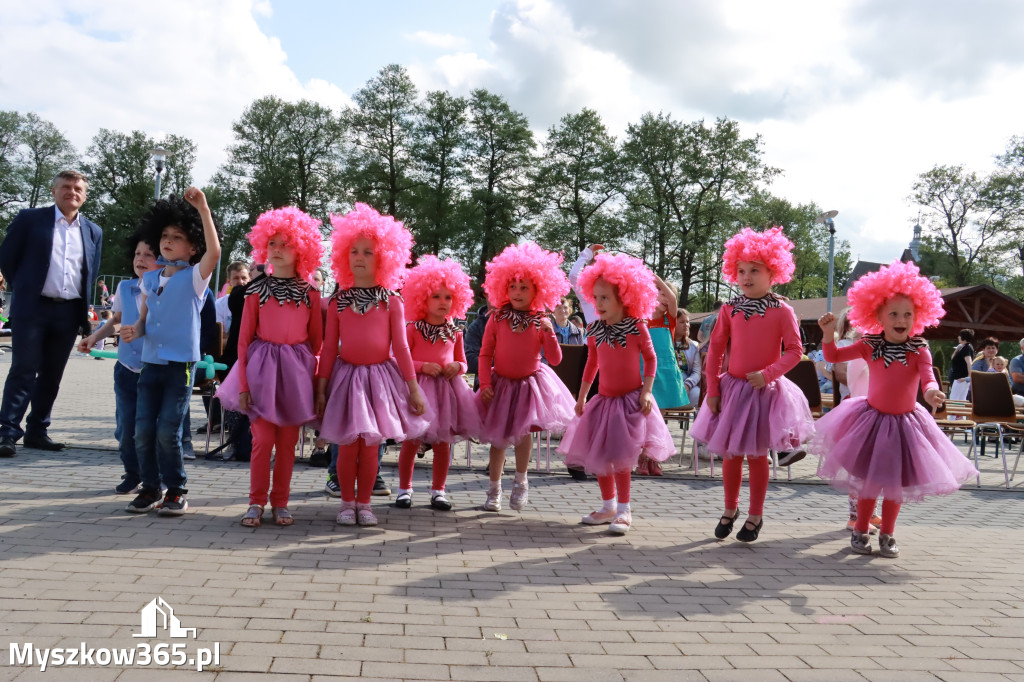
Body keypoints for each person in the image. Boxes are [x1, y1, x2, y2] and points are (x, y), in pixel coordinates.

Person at [814, 260, 979, 558]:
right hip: (872, 422)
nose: (901, 319)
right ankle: (860, 529)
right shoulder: (869, 344)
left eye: (908, 313)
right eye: (893, 313)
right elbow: (834, 354)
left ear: (918, 316)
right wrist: (827, 335)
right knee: (869, 483)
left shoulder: (919, 348)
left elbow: (928, 376)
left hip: (906, 424)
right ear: (877, 314)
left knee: (896, 486)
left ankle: (888, 533)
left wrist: (931, 392)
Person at [691, 227, 815, 543]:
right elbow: (715, 349)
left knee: (758, 456)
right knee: (731, 454)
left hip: (765, 392)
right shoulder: (729, 309)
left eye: (754, 270)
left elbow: (795, 351)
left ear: (773, 271)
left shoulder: (783, 310)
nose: (746, 277)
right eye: (741, 270)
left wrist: (769, 374)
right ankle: (729, 509)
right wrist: (714, 389)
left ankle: (755, 515)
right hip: (732, 389)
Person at [315, 203, 428, 527]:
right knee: (348, 448)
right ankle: (346, 503)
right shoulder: (338, 302)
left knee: (370, 448)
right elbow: (327, 349)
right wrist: (321, 389)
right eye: (354, 251)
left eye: (368, 251)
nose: (360, 257)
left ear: (385, 258)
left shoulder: (392, 301)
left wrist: (413, 388)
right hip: (346, 381)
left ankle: (364, 503)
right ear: (343, 256)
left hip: (380, 382)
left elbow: (402, 347)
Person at [217, 208, 323, 528]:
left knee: (289, 441)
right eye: (272, 242)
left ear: (301, 249)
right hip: (261, 370)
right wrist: (245, 385)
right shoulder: (255, 290)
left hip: (295, 372)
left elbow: (316, 342)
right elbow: (243, 341)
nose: (277, 249)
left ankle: (281, 502)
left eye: (286, 243)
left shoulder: (311, 293)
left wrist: (310, 378)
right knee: (262, 439)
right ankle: (255, 501)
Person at [119, 189, 221, 516]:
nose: (167, 241)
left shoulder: (195, 279)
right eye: (164, 236)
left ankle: (176, 489)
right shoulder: (151, 279)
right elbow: (145, 320)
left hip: (180, 367)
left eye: (177, 237)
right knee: (142, 430)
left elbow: (216, 252)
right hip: (150, 364)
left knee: (167, 431)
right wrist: (136, 330)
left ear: (192, 248)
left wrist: (203, 209)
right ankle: (151, 487)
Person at [559, 253, 675, 534]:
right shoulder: (595, 329)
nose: (597, 304)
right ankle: (608, 505)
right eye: (595, 298)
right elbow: (592, 363)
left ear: (624, 297)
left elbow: (651, 359)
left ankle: (624, 510)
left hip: (630, 403)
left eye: (604, 298)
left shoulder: (637, 326)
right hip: (604, 401)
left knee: (621, 458)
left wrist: (647, 392)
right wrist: (583, 396)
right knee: (601, 455)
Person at [0, 170, 103, 456]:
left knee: (52, 375)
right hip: (33, 309)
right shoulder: (30, 220)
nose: (73, 192)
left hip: (69, 311)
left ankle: (37, 431)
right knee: (23, 370)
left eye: (78, 188)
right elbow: (8, 259)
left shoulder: (93, 230)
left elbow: (90, 273)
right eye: (66, 187)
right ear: (54, 191)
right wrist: (25, 287)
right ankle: (7, 432)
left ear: (84, 195)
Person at [477, 242, 576, 512]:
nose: (517, 292)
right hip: (501, 385)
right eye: (512, 286)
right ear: (503, 288)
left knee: (523, 436)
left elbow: (555, 359)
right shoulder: (496, 318)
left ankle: (521, 481)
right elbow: (485, 355)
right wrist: (485, 382)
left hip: (529, 385)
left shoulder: (542, 319)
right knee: (498, 440)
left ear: (538, 289)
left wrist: (549, 333)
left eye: (524, 287)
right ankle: (494, 488)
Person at [76, 233, 160, 493]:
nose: (141, 259)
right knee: (125, 427)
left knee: (149, 429)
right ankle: (132, 473)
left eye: (148, 254)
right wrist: (92, 338)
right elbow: (116, 320)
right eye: (137, 254)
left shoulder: (165, 290)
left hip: (155, 368)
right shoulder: (125, 287)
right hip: (126, 367)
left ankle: (154, 478)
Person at [395, 255, 480, 511]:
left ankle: (438, 490)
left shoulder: (455, 331)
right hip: (418, 390)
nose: (443, 302)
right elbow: (400, 357)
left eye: (448, 297)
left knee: (444, 442)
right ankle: (404, 489)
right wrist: (422, 366)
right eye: (436, 296)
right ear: (422, 298)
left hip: (446, 392)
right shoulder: (412, 328)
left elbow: (463, 361)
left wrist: (458, 367)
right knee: (412, 441)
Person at [637, 276, 689, 476]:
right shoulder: (643, 317)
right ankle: (642, 456)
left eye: (669, 295)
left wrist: (656, 279)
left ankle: (654, 458)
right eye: (661, 293)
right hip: (646, 371)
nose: (666, 299)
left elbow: (673, 302)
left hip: (666, 372)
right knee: (645, 414)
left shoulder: (670, 318)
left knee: (661, 418)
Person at [568, 243, 603, 323]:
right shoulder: (586, 295)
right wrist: (588, 253)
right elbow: (573, 276)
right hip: (595, 335)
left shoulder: (615, 292)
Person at [674, 308, 702, 407]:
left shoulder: (693, 346)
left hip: (687, 386)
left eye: (687, 322)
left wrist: (687, 385)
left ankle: (697, 422)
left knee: (697, 394)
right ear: (673, 323)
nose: (686, 325)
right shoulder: (664, 343)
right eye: (682, 322)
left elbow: (697, 372)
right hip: (669, 384)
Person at [215, 261, 251, 331]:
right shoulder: (219, 305)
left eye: (244, 278)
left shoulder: (256, 304)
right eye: (236, 278)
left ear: (249, 280)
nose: (240, 282)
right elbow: (219, 338)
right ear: (229, 282)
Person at [948, 329, 975, 401]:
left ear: (963, 337)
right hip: (958, 378)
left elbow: (969, 362)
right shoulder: (963, 348)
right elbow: (952, 358)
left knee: (954, 399)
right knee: (960, 399)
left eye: (960, 336)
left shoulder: (967, 348)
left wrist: (969, 377)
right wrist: (957, 349)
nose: (958, 337)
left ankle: (953, 412)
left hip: (961, 378)